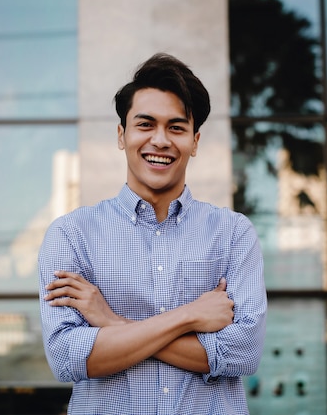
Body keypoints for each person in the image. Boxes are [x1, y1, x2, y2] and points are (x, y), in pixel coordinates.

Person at [38, 52, 267, 415]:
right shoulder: (71, 234)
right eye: (145, 125)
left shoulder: (233, 233)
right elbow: (68, 358)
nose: (160, 140)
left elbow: (243, 352)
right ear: (121, 135)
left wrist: (110, 322)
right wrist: (190, 316)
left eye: (176, 128)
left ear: (194, 141)